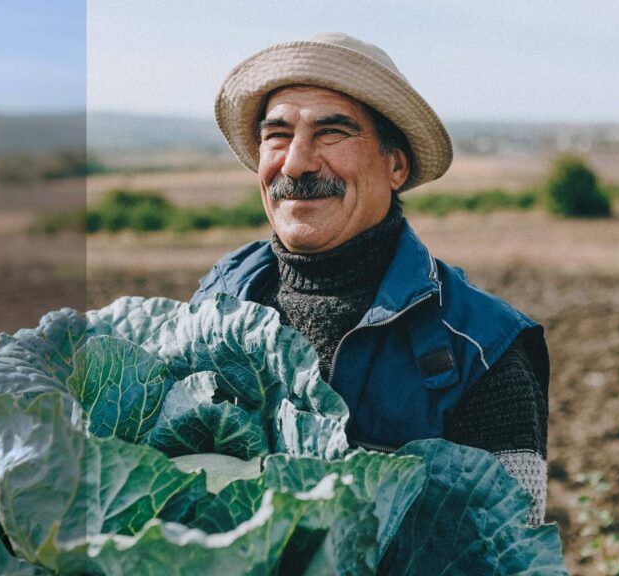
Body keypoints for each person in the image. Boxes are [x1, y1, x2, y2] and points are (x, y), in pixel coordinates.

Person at [191, 32, 550, 525]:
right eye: (277, 134)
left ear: (395, 165)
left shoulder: (482, 350)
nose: (295, 163)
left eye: (332, 132)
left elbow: (507, 551)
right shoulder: (215, 305)